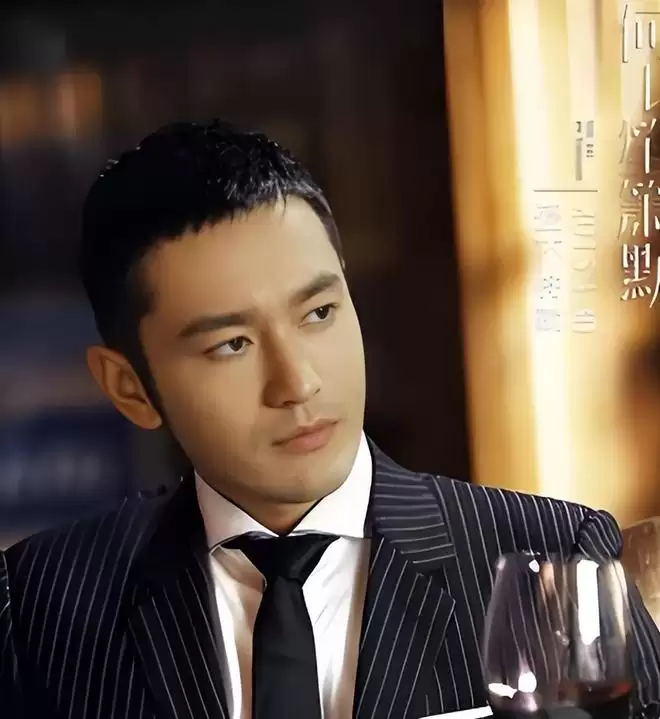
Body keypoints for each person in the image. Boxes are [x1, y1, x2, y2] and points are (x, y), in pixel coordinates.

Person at [1, 120, 659, 719]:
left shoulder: (553, 557)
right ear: (130, 387)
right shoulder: (39, 605)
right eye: (231, 345)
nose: (299, 383)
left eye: (318, 313)